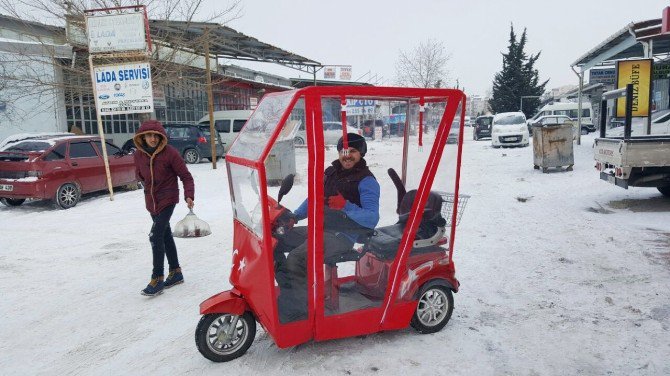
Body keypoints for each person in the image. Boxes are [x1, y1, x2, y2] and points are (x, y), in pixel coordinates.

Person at [275, 133, 380, 322]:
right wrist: (295, 217)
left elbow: (372, 218)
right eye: (343, 151)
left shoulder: (367, 181)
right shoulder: (330, 173)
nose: (347, 155)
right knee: (276, 240)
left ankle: (299, 313)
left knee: (296, 258)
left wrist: (345, 206)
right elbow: (314, 198)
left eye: (353, 151)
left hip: (343, 236)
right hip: (320, 229)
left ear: (361, 153)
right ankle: (292, 293)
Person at [133, 120, 195, 297]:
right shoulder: (138, 155)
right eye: (149, 135)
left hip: (168, 199)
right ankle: (176, 272)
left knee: (155, 235)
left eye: (155, 135)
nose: (152, 139)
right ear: (142, 137)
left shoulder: (170, 153)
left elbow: (186, 176)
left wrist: (189, 195)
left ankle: (157, 278)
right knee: (165, 235)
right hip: (151, 202)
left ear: (161, 137)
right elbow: (140, 175)